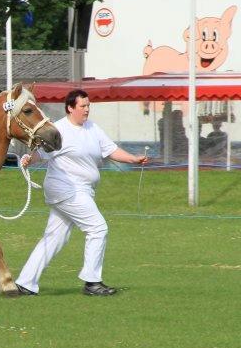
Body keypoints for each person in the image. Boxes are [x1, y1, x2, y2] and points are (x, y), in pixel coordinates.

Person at [15, 89, 148, 297]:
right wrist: (29, 160)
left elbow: (110, 149)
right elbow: (41, 152)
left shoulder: (92, 128)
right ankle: (92, 282)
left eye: (88, 106)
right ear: (70, 108)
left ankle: (25, 283)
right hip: (66, 189)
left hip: (82, 190)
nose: (86, 109)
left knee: (54, 237)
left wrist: (133, 158)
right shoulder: (58, 129)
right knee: (98, 228)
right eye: (82, 106)